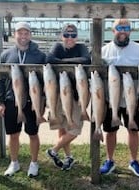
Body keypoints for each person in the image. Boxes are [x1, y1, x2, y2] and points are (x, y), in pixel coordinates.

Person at [100, 18, 139, 177]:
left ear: (130, 31)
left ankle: (134, 161)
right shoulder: (104, 50)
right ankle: (109, 160)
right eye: (119, 28)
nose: (123, 31)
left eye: (126, 28)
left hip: (133, 99)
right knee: (110, 131)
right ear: (113, 30)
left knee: (133, 130)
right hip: (111, 100)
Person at [0, 22, 46, 177]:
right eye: (20, 33)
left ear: (30, 35)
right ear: (14, 34)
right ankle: (14, 162)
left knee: (32, 133)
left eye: (26, 33)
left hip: (32, 101)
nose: (23, 36)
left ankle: (34, 163)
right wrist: (1, 102)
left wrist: (42, 103)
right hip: (12, 101)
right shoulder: (5, 55)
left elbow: (45, 82)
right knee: (13, 134)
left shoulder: (40, 55)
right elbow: (0, 80)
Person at [45, 23, 91, 171]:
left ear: (77, 36)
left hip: (77, 97)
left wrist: (62, 63)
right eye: (66, 35)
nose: (69, 38)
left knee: (75, 128)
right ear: (61, 36)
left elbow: (86, 60)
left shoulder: (82, 47)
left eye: (73, 35)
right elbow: (50, 59)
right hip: (59, 95)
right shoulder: (57, 47)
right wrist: (72, 63)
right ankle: (68, 157)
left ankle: (53, 150)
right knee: (62, 126)